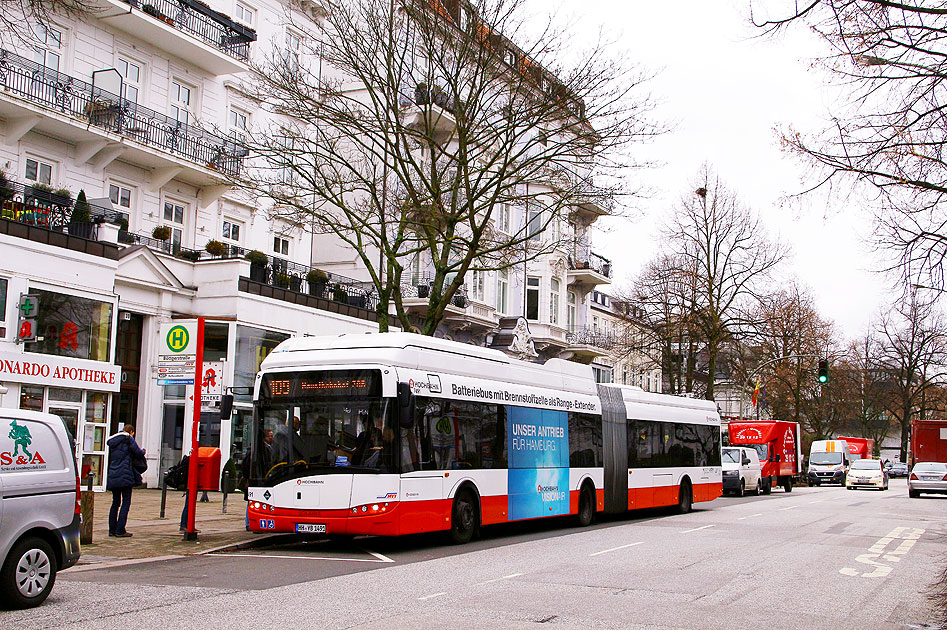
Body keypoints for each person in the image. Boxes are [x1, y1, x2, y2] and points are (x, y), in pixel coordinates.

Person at [106, 424, 145, 538]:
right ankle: (120, 529)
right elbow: (138, 452)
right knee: (126, 502)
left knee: (115, 503)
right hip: (125, 474)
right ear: (131, 432)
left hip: (113, 474)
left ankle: (111, 530)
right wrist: (143, 451)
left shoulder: (113, 441)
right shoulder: (129, 439)